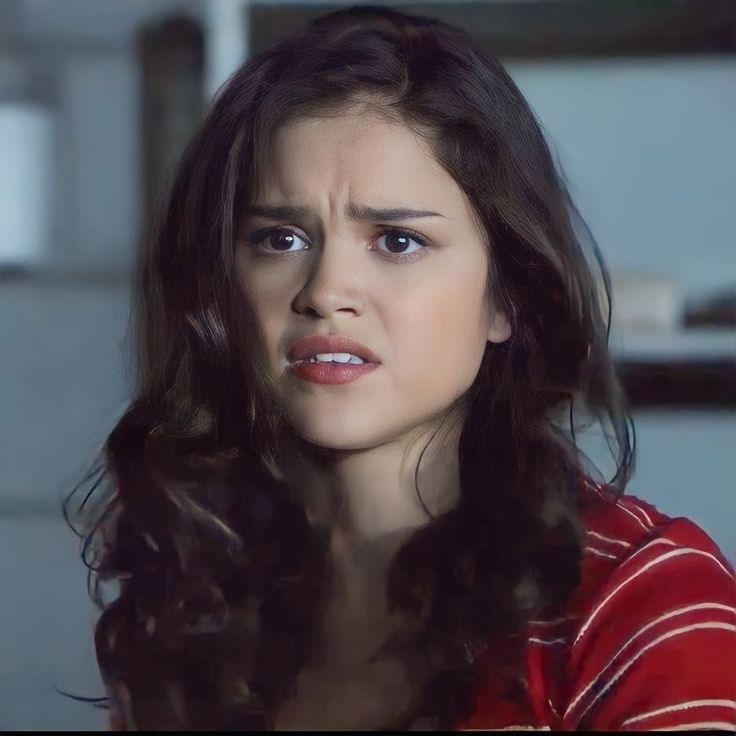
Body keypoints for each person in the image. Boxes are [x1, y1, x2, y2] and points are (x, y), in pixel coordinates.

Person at [65, 5, 736, 731]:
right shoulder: (193, 606)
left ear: (505, 295)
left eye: (397, 241)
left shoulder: (639, 599)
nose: (325, 292)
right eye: (281, 238)